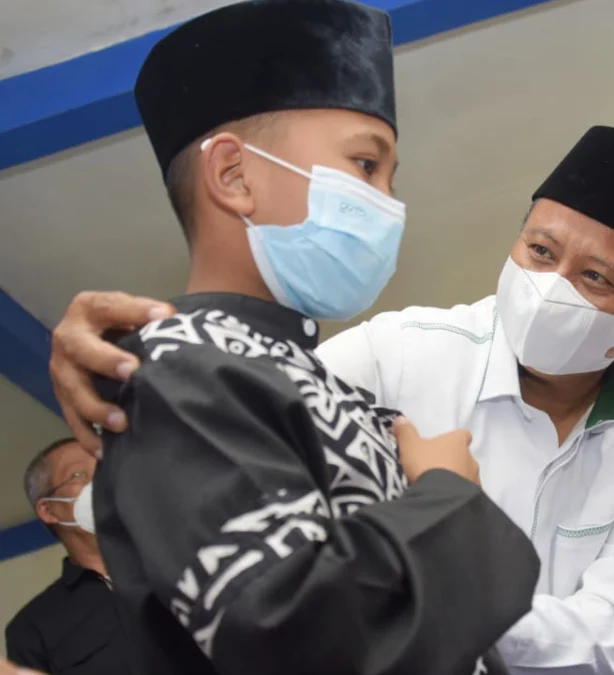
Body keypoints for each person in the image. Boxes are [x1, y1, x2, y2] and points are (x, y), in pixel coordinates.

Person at [46, 104, 614, 675]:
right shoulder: (397, 351)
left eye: (594, 277)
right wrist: (125, 343)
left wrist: (444, 593)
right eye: (540, 251)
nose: (550, 287)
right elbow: (238, 400)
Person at [80, 1, 541, 673]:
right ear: (234, 176)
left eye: (390, 176)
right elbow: (291, 632)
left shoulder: (304, 377)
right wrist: (444, 492)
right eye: (364, 165)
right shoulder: (179, 377)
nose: (389, 202)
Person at [5, 438, 132, 674]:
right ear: (48, 510)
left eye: (103, 469)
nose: (100, 481)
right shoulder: (32, 627)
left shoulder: (170, 566)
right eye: (79, 475)